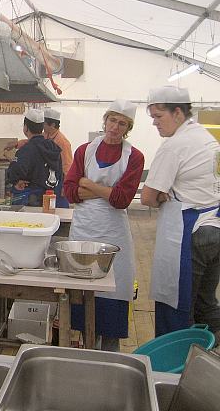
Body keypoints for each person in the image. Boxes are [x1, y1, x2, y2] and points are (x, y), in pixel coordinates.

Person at [63, 99, 144, 351]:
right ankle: (85, 351)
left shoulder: (135, 157)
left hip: (114, 232)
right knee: (83, 292)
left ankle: (110, 356)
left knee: (113, 290)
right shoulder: (84, 150)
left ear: (127, 128)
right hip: (84, 228)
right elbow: (69, 191)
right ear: (105, 120)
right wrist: (107, 191)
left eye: (122, 123)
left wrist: (88, 184)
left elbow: (122, 200)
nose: (115, 127)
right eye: (112, 120)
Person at [141, 86, 220, 337]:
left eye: (159, 116)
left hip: (192, 234)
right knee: (206, 303)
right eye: (152, 117)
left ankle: (174, 366)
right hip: (214, 228)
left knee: (178, 304)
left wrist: (162, 195)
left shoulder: (174, 146)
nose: (155, 123)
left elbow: (147, 197)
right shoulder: (205, 137)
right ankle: (209, 358)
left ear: (178, 112)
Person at [6, 109, 63, 206]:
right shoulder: (53, 147)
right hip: (50, 201)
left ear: (26, 128)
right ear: (42, 127)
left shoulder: (26, 150)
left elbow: (14, 172)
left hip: (30, 201)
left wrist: (16, 180)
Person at [43, 108, 73, 208]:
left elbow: (67, 166)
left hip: (60, 182)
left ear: (52, 125)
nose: (42, 126)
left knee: (59, 209)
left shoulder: (62, 142)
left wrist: (65, 186)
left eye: (44, 124)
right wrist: (17, 144)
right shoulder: (45, 135)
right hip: (49, 180)